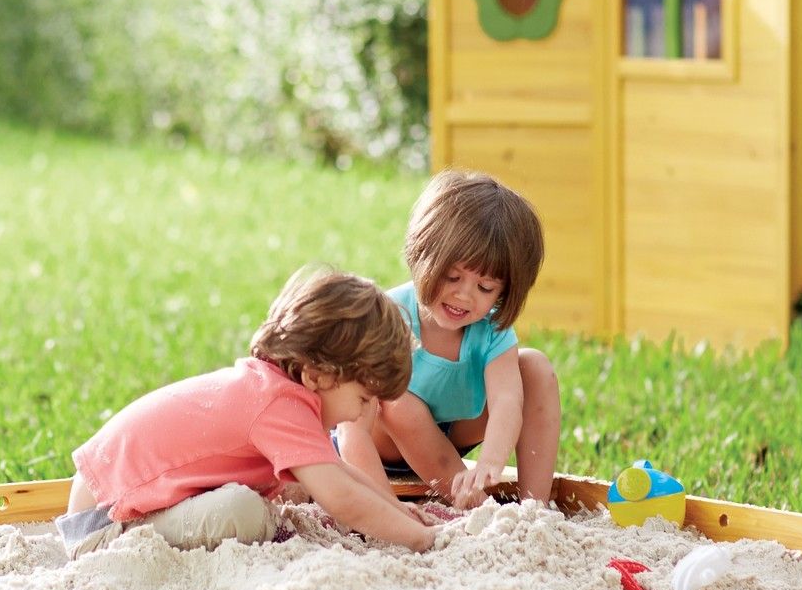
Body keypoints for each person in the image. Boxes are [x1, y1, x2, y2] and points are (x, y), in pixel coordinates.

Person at [59, 268, 436, 557]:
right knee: (245, 511)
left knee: (287, 488)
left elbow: (339, 472)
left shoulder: (278, 389)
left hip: (109, 500)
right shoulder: (281, 404)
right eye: (363, 398)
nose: (361, 414)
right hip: (105, 525)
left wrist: (396, 511)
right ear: (318, 375)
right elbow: (341, 497)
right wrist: (421, 540)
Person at [341, 168, 562, 507]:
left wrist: (490, 462)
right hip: (380, 444)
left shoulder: (490, 327)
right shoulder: (388, 316)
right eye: (452, 277)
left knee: (534, 368)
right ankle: (472, 503)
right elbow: (351, 428)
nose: (464, 295)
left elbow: (506, 402)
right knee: (399, 400)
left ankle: (534, 507)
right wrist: (386, 507)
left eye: (485, 287)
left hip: (450, 436)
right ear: (422, 254)